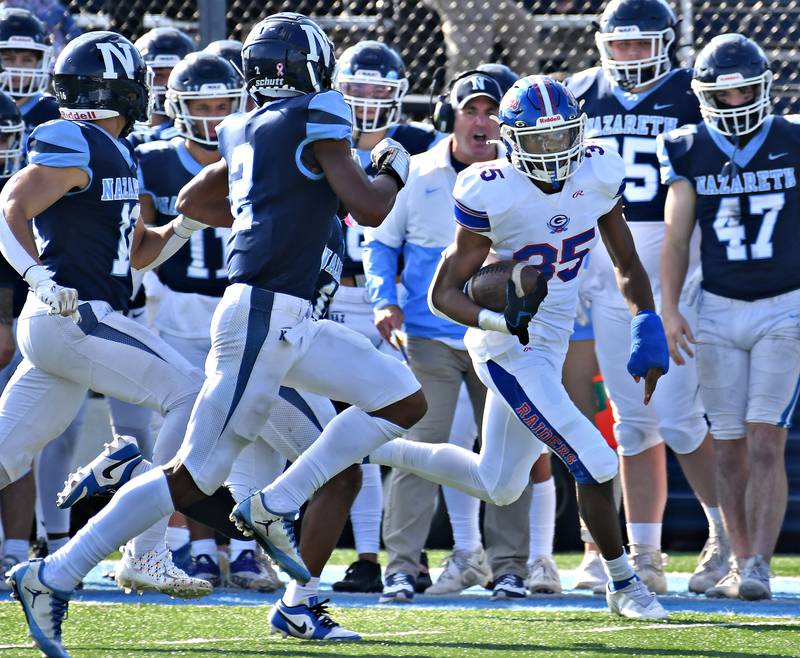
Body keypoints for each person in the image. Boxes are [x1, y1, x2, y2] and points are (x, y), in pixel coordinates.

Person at [7, 14, 425, 656]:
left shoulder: (244, 129)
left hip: (295, 322)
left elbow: (198, 202)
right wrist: (391, 166)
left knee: (398, 406)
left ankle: (293, 580)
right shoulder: (319, 112)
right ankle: (57, 572)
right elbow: (371, 206)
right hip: (256, 315)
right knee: (194, 470)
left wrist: (270, 203)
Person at [368, 75, 670, 619]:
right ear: (513, 141)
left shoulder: (599, 171)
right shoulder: (492, 189)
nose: (554, 153)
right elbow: (443, 295)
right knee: (595, 459)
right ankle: (624, 583)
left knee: (499, 484)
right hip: (505, 346)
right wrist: (504, 320)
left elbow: (626, 263)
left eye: (562, 138)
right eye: (539, 141)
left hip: (549, 342)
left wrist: (646, 318)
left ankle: (369, 444)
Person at [566, 0, 727, 594]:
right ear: (602, 41)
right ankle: (645, 554)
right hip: (607, 264)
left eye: (642, 43)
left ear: (666, 42)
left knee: (682, 419)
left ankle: (727, 537)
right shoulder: (579, 93)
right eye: (622, 43)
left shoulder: (692, 92)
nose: (631, 54)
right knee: (632, 423)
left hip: (675, 262)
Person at [658, 34, 800, 601]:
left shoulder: (792, 138)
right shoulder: (689, 146)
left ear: (765, 87)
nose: (737, 100)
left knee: (768, 436)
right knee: (730, 441)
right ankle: (739, 556)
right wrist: (668, 308)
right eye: (725, 91)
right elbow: (675, 237)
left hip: (784, 305)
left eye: (746, 88)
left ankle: (759, 564)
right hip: (715, 307)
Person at [328, 39, 442, 595]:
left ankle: (400, 554)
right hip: (332, 297)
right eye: (358, 89)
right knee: (349, 432)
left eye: (380, 91)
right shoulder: (324, 138)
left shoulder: (422, 147)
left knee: (394, 429)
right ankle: (369, 553)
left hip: (395, 308)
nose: (369, 101)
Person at [128, 27, 196, 147]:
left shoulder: (198, 134)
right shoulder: (122, 128)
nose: (166, 83)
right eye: (158, 74)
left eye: (173, 75)